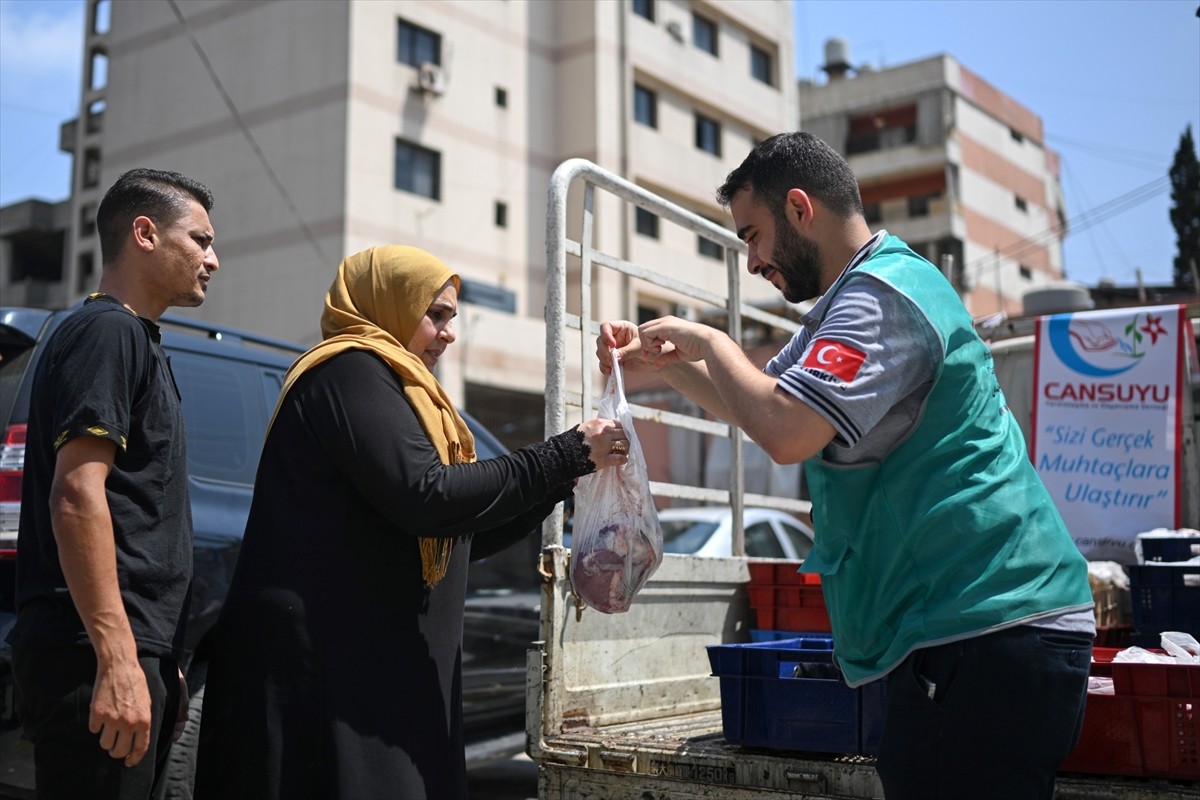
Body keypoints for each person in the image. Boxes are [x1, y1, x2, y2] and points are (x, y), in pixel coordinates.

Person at [598, 132, 1095, 800]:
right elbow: (760, 404)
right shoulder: (849, 304)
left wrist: (711, 340)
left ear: (800, 208)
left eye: (753, 236)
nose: (751, 263)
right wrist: (664, 363)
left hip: (986, 630)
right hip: (974, 632)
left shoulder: (880, 298)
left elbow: (785, 430)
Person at [192, 245, 628, 800]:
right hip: (330, 673)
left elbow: (461, 529)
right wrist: (563, 455)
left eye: (452, 318)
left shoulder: (405, 391)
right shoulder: (349, 370)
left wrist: (563, 482)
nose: (448, 333)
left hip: (379, 676)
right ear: (387, 302)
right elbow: (429, 495)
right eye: (436, 314)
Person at [7, 168, 219, 799]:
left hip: (119, 653)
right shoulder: (108, 332)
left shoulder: (134, 338)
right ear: (146, 233)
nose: (213, 258)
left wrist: (157, 660)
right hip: (90, 658)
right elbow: (77, 494)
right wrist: (119, 659)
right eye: (200, 239)